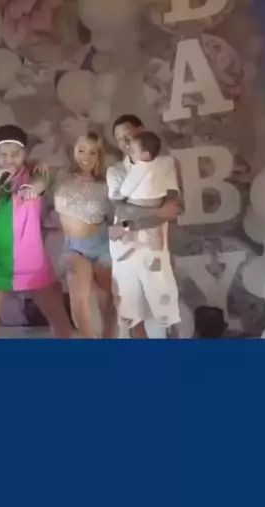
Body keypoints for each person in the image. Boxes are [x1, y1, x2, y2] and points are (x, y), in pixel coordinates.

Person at [0, 124, 73, 339]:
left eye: (15, 154)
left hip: (31, 260)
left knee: (59, 320)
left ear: (24, 154)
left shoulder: (35, 172)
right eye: (3, 155)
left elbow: (40, 183)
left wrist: (30, 188)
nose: (9, 160)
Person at [107, 115, 181, 339]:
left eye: (128, 135)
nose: (124, 142)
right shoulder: (115, 171)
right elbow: (121, 209)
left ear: (141, 131)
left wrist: (131, 223)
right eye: (119, 138)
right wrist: (155, 213)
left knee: (164, 309)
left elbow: (171, 208)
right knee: (131, 310)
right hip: (125, 249)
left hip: (154, 247)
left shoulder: (164, 164)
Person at [53, 132, 115, 338]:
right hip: (74, 247)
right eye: (81, 150)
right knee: (79, 301)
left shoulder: (105, 184)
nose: (86, 157)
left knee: (108, 301)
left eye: (92, 152)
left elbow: (115, 216)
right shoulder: (61, 177)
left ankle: (109, 341)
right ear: (74, 151)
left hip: (101, 244)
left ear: (99, 156)